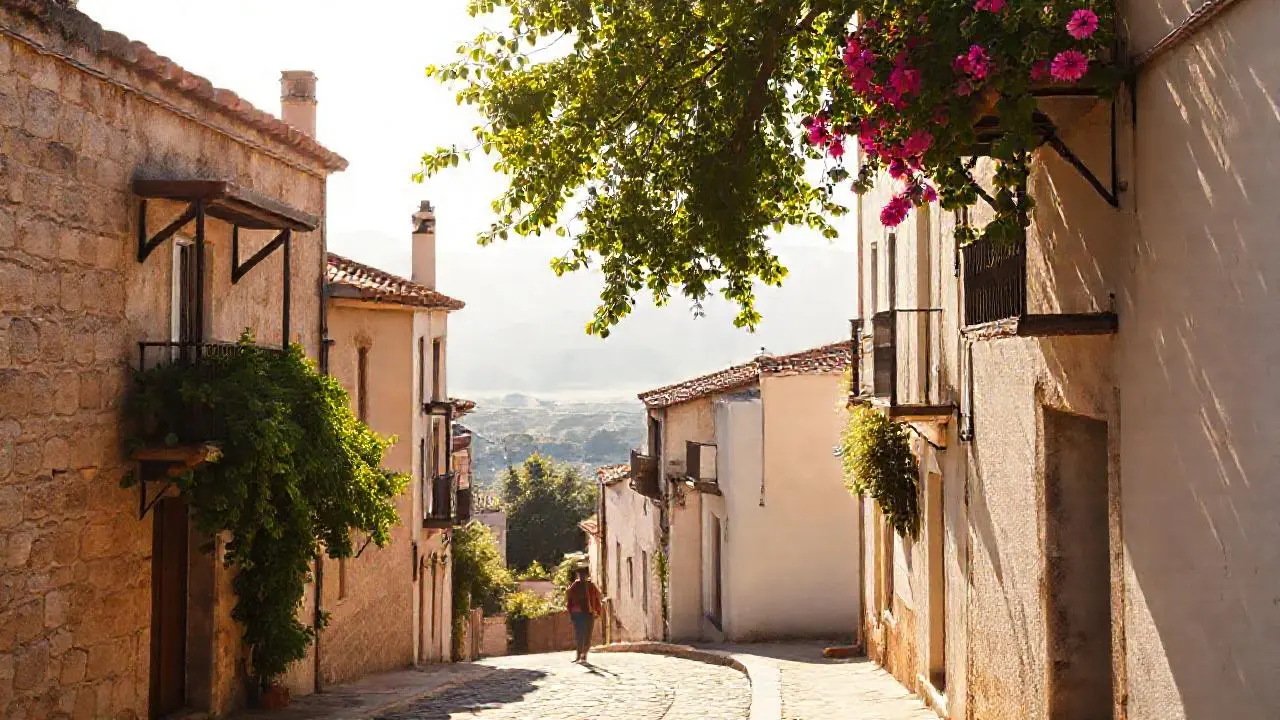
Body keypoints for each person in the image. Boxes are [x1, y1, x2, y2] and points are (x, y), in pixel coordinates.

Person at [565, 566, 603, 663]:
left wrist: (598, 611)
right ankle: (578, 655)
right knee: (579, 635)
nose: (581, 577)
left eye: (583, 575)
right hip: (578, 614)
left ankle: (584, 655)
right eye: (580, 575)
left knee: (587, 635)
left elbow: (596, 599)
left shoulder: (591, 586)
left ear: (586, 576)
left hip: (589, 613)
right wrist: (571, 613)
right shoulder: (574, 586)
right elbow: (569, 600)